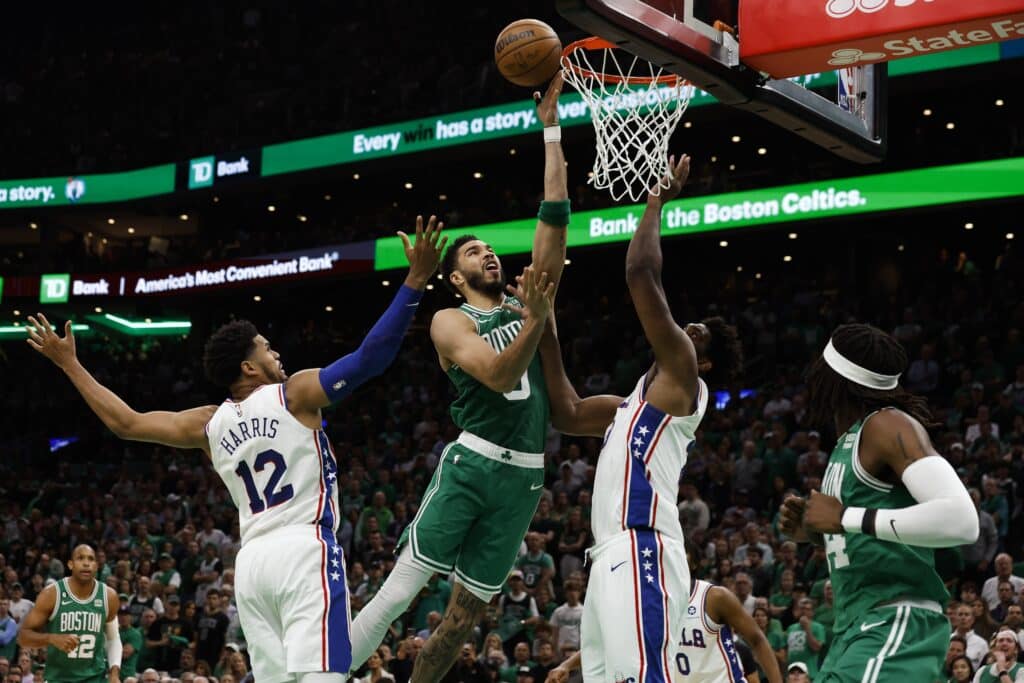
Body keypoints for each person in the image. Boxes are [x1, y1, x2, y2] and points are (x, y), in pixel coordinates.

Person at [25, 218, 446, 683]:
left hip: (252, 566)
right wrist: (415, 280)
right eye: (266, 348)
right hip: (302, 547)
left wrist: (70, 364)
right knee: (325, 674)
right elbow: (369, 359)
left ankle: (402, 585)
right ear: (248, 366)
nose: (276, 352)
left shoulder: (208, 423)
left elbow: (126, 423)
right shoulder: (294, 393)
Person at [349, 75, 571, 683]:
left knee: (462, 621)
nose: (487, 254)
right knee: (400, 593)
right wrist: (536, 321)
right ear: (454, 277)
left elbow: (554, 220)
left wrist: (551, 130)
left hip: (525, 476)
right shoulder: (452, 321)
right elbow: (499, 375)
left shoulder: (527, 302)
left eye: (490, 250)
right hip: (473, 465)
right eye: (472, 252)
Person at [536, 154, 742, 683]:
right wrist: (546, 322)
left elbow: (640, 272)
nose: (687, 332)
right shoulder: (629, 405)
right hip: (607, 555)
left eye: (698, 335)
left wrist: (655, 201)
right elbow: (567, 412)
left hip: (642, 545)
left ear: (704, 362)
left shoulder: (683, 378)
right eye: (690, 327)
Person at [780, 323, 979, 682]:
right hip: (854, 629)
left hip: (894, 623)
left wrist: (845, 517)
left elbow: (962, 520)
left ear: (835, 377)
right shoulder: (849, 441)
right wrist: (815, 535)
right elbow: (873, 532)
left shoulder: (886, 425)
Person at [673, 541, 783, 682]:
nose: (673, 556)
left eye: (681, 551)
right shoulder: (654, 604)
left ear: (694, 563)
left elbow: (757, 640)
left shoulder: (714, 596)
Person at [17, 544, 123, 683]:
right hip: (58, 678)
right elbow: (23, 637)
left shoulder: (109, 596)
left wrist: (114, 673)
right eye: (80, 558)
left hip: (95, 678)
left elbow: (113, 638)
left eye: (91, 559)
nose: (86, 563)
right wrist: (52, 638)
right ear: (70, 564)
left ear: (96, 566)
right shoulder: (52, 594)